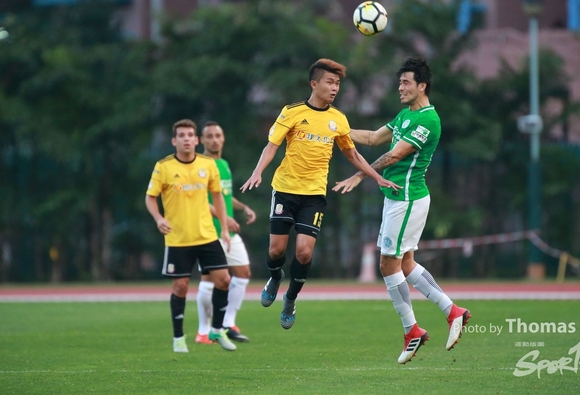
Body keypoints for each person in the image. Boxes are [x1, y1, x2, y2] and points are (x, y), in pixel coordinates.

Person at [240, 58, 401, 330]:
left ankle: (290, 299)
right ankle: (275, 277)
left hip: (314, 195)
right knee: (276, 250)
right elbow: (271, 146)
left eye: (337, 83)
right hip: (285, 189)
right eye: (330, 82)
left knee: (304, 253)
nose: (335, 88)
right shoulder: (291, 112)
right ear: (314, 84)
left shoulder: (338, 119)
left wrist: (376, 177)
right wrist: (258, 172)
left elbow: (352, 154)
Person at [333, 57, 471, 364]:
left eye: (406, 82)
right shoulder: (405, 114)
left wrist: (359, 175)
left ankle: (412, 331)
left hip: (407, 199)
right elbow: (372, 138)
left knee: (387, 264)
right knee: (405, 264)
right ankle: (453, 311)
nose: (400, 87)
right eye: (399, 82)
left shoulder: (428, 120)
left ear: (422, 86)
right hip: (397, 198)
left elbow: (394, 155)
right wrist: (336, 128)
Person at [145, 119, 237, 353]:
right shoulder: (163, 166)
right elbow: (150, 197)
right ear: (174, 141)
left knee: (224, 280)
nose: (186, 139)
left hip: (206, 236)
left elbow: (217, 196)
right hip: (178, 239)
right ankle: (178, 337)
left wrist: (224, 227)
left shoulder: (208, 164)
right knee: (180, 287)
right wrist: (158, 218)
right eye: (181, 135)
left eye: (190, 135)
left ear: (196, 140)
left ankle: (216, 330)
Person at [194, 121, 256, 344]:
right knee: (209, 280)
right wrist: (224, 218)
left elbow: (224, 195)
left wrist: (242, 207)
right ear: (202, 140)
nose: (214, 140)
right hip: (208, 231)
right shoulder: (200, 165)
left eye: (218, 135)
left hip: (227, 232)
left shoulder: (223, 164)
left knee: (243, 273)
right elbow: (199, 200)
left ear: (223, 138)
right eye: (209, 136)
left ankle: (228, 324)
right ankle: (203, 332)